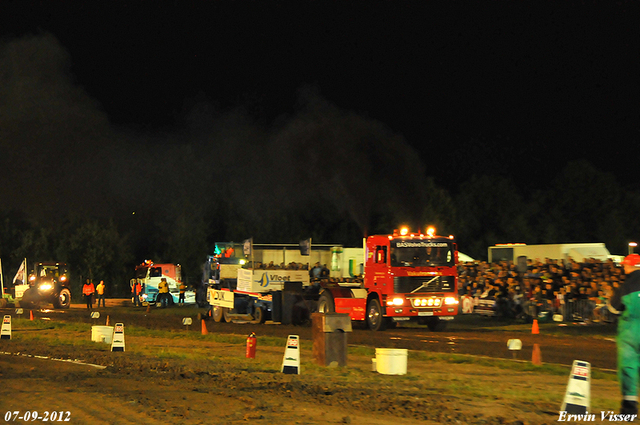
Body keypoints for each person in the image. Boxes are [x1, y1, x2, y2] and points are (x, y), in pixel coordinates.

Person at [608, 253, 640, 416]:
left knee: (629, 367)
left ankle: (629, 410)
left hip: (631, 331)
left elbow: (613, 308)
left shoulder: (625, 286)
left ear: (628, 266)